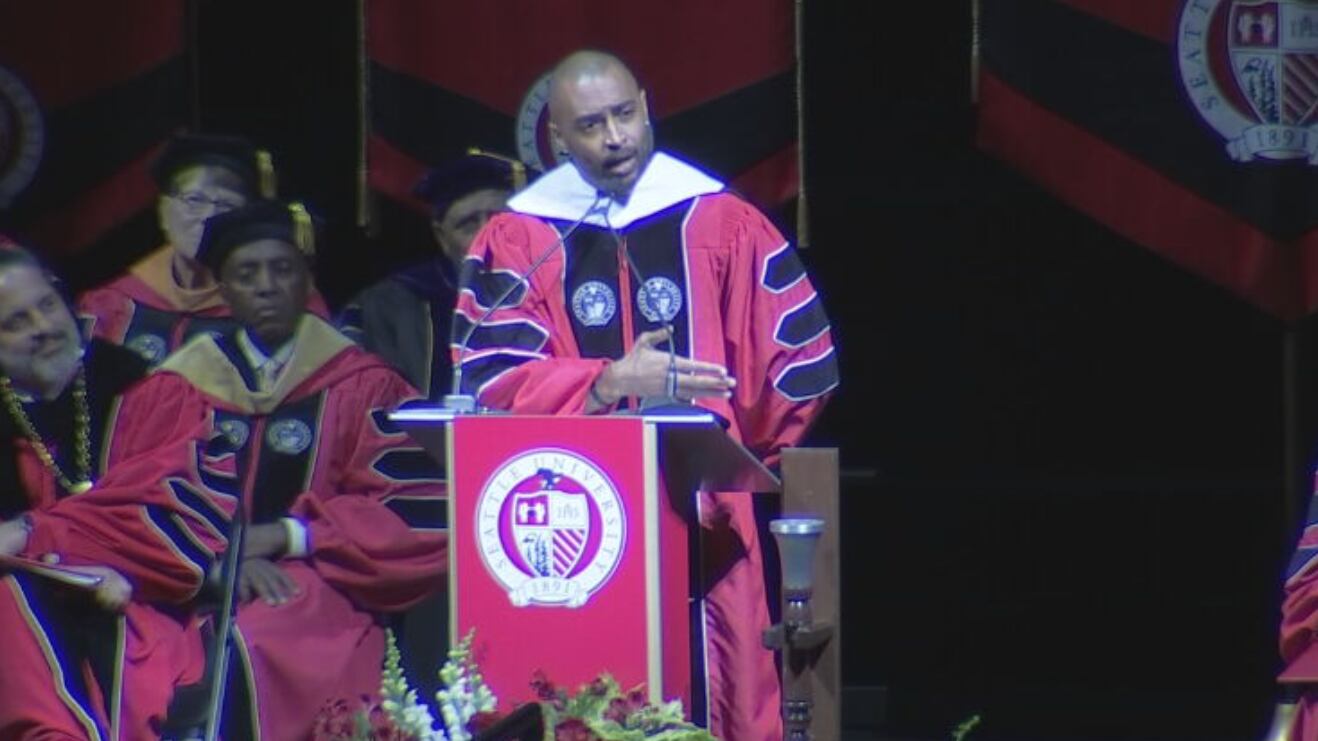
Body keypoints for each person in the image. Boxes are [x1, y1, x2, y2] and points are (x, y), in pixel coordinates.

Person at [453, 50, 838, 739]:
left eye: (625, 114)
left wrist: (736, 459)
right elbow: (490, 378)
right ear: (559, 139)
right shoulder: (521, 237)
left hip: (707, 524)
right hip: (573, 518)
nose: (615, 138)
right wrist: (603, 384)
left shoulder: (721, 221)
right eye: (591, 125)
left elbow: (799, 362)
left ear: (646, 104)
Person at [162, 200, 447, 740]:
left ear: (306, 279)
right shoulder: (178, 386)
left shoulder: (363, 382)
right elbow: (142, 496)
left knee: (262, 633)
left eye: (283, 269)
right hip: (194, 576)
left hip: (325, 574)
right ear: (221, 289)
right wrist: (217, 558)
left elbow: (412, 508)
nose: (267, 286)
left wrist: (290, 535)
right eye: (246, 274)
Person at [0, 237, 231, 740]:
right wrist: (74, 564)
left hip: (139, 616)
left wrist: (25, 535)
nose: (42, 328)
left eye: (45, 305)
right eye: (15, 322)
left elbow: (169, 527)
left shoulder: (150, 395)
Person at [78, 133, 328, 365]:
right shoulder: (114, 304)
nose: (208, 216)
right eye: (194, 200)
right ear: (163, 211)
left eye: (226, 205)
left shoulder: (284, 300)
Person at [338, 150, 531, 398]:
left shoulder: (553, 289)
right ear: (442, 237)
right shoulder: (392, 304)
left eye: (499, 219)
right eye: (469, 224)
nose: (488, 236)